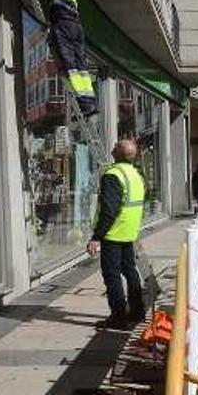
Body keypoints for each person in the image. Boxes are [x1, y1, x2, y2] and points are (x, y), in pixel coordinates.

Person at [88, 140, 146, 329]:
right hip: (129, 231)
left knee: (112, 275)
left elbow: (109, 209)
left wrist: (97, 236)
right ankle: (138, 312)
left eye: (115, 145)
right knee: (130, 271)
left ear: (117, 153)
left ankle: (119, 317)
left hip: (113, 233)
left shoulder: (112, 175)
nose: (112, 146)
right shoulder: (135, 174)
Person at [39, 0, 97, 116]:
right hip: (76, 24)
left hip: (63, 20)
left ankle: (84, 105)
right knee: (81, 66)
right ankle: (89, 102)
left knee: (69, 65)